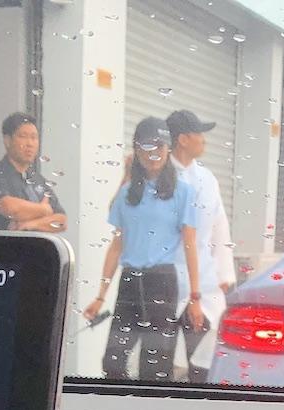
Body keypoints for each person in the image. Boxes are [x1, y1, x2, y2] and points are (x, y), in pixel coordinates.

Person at [83, 118, 204, 384]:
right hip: (129, 281)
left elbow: (190, 245)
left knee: (155, 366)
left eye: (159, 146)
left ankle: (153, 406)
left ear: (169, 148)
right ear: (136, 150)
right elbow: (116, 245)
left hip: (162, 282)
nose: (153, 153)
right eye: (146, 147)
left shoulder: (183, 192)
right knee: (113, 361)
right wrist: (101, 296)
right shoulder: (127, 193)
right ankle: (121, 404)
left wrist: (196, 297)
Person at [166, 109, 235, 383]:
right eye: (199, 134)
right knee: (160, 363)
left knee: (203, 365)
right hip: (166, 284)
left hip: (204, 285)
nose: (204, 140)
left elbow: (220, 226)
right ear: (183, 139)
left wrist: (225, 274)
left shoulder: (207, 179)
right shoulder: (158, 176)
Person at [0, 112, 67, 233]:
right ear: (7, 140)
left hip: (34, 244)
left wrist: (30, 225)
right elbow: (9, 207)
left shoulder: (38, 179)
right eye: (23, 136)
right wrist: (44, 210)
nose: (29, 144)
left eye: (34, 137)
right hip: (2, 243)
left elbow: (61, 221)